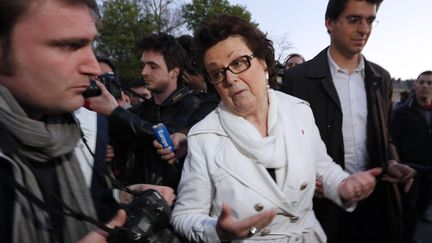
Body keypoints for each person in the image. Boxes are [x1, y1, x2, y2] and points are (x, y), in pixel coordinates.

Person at [171, 14, 384, 243]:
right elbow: (184, 216)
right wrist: (218, 231)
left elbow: (323, 168)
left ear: (263, 61)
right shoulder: (204, 136)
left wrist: (343, 185)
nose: (230, 79)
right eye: (217, 73)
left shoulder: (298, 110)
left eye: (239, 62)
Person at [0, 1, 175, 243]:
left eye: (90, 45)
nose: (94, 68)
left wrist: (124, 196)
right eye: (69, 46)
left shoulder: (69, 131)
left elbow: (79, 203)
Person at [280, 0, 416, 242]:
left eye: (370, 20)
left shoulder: (381, 78)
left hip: (374, 201)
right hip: (323, 205)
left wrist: (392, 162)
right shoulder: (298, 79)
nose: (364, 29)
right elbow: (287, 143)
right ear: (329, 23)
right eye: (354, 20)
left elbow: (384, 134)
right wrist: (309, 179)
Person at [390, 70, 432, 243]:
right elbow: (392, 141)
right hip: (409, 174)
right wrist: (397, 166)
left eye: (430, 83)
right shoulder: (401, 112)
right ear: (415, 86)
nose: (425, 86)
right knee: (408, 218)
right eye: (421, 82)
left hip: (430, 174)